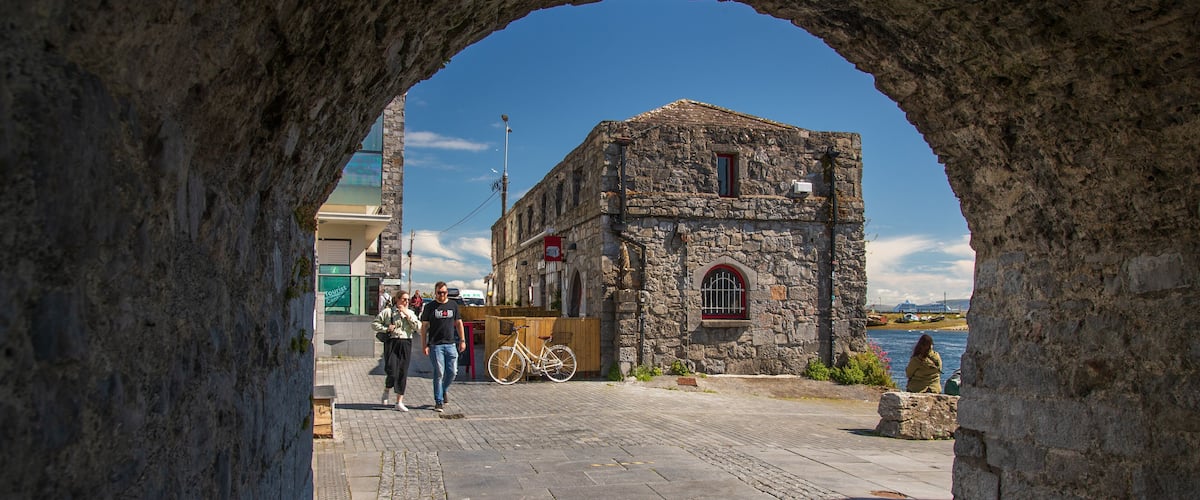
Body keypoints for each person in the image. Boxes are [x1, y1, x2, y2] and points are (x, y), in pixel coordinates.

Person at [420, 282, 465, 412]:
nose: (442, 295)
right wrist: (424, 344)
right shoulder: (430, 307)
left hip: (451, 344)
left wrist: (462, 340)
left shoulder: (453, 305)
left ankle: (444, 390)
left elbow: (459, 323)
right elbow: (424, 327)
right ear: (435, 293)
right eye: (439, 292)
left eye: (444, 292)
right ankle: (438, 401)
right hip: (435, 345)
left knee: (452, 372)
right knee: (439, 372)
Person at [373, 292, 420, 411]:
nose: (406, 302)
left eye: (408, 300)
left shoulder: (410, 313)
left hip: (405, 342)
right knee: (391, 370)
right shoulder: (388, 312)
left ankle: (399, 401)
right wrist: (386, 328)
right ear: (397, 299)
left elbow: (419, 327)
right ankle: (387, 388)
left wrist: (407, 316)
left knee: (402, 372)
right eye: (404, 299)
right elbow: (374, 324)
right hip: (392, 342)